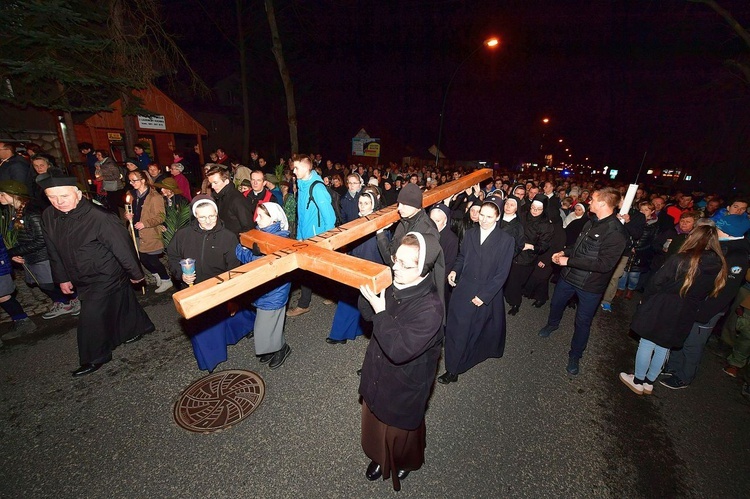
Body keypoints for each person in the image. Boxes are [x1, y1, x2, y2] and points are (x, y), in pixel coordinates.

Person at [40, 172, 154, 376]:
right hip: (78, 274)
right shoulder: (49, 216)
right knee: (123, 299)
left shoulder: (100, 217)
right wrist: (62, 278)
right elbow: (53, 250)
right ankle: (139, 327)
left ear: (77, 194)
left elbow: (123, 247)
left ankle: (94, 356)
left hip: (105, 274)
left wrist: (135, 273)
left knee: (91, 316)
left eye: (64, 196)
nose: (59, 202)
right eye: (52, 197)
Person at [358, 232, 444, 492]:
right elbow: (366, 314)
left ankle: (406, 461)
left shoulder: (430, 308)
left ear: (423, 268)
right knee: (375, 424)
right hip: (378, 371)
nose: (395, 266)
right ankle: (379, 457)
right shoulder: (393, 282)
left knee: (401, 435)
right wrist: (368, 294)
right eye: (396, 259)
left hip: (405, 383)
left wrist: (381, 310)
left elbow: (399, 349)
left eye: (406, 265)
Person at [620, 225, 727, 394]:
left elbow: (657, 282)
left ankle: (638, 380)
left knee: (647, 342)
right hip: (687, 309)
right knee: (664, 346)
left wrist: (645, 300)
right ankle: (649, 382)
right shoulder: (718, 264)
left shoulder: (683, 259)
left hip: (664, 304)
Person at [538, 187, 629, 375]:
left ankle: (575, 354)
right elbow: (580, 247)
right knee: (556, 303)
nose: (589, 202)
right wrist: (565, 252)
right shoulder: (591, 222)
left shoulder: (616, 232)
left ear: (603, 204)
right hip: (569, 277)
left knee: (583, 321)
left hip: (590, 286)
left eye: (593, 199)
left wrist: (568, 261)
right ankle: (552, 324)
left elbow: (604, 264)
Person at [167, 196, 255, 372]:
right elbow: (173, 258)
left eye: (211, 216)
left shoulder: (228, 237)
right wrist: (180, 275)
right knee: (201, 330)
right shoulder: (182, 235)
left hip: (217, 290)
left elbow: (233, 270)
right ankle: (210, 361)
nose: (208, 221)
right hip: (192, 290)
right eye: (202, 217)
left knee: (223, 320)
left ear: (217, 214)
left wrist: (233, 297)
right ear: (195, 216)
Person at [438, 200, 515, 384]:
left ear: (497, 218)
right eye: (482, 215)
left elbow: (502, 273)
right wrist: (455, 271)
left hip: (486, 292)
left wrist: (484, 296)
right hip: (463, 289)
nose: (484, 220)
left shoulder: (506, 240)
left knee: (475, 331)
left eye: (489, 216)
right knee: (457, 328)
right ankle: (453, 368)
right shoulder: (471, 233)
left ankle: (460, 363)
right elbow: (462, 256)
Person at [0, 180, 80, 328]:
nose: (0, 197)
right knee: (42, 284)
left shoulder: (31, 213)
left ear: (13, 195)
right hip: (31, 255)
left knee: (50, 283)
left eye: (2, 194)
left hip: (42, 255)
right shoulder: (14, 212)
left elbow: (41, 239)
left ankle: (74, 300)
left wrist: (13, 251)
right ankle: (63, 303)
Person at [236, 203, 293, 369]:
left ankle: (281, 348)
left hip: (275, 289)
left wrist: (251, 256)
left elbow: (265, 264)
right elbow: (238, 249)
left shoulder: (281, 239)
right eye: (257, 214)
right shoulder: (258, 233)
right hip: (262, 288)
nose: (256, 219)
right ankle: (273, 348)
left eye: (261, 216)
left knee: (266, 325)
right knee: (270, 324)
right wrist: (250, 254)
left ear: (274, 219)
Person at [326, 191, 386, 344]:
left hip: (370, 267)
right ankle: (339, 334)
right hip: (355, 265)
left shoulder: (380, 223)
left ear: (373, 205)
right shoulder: (357, 220)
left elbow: (382, 248)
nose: (363, 206)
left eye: (366, 203)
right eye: (361, 203)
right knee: (348, 300)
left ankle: (368, 333)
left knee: (365, 304)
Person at [285, 154, 337, 318]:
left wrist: (327, 241)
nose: (294, 171)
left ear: (307, 168)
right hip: (306, 237)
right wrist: (300, 236)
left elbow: (330, 217)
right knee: (310, 271)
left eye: (297, 168)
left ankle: (304, 304)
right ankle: (330, 295)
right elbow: (302, 214)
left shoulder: (317, 187)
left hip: (318, 238)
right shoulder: (301, 184)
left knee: (312, 271)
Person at [124, 170, 172, 294]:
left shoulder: (154, 197)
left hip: (150, 233)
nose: (131, 183)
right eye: (130, 180)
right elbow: (128, 210)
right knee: (142, 258)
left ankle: (166, 280)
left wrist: (145, 223)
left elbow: (161, 217)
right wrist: (128, 216)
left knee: (152, 259)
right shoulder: (132, 195)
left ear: (143, 180)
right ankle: (157, 276)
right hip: (136, 232)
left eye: (134, 180)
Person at [505, 195, 553, 315]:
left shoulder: (546, 225)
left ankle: (515, 303)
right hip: (512, 252)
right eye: (533, 207)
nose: (535, 211)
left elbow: (544, 245)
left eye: (538, 209)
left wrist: (531, 246)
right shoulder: (523, 216)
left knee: (516, 282)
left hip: (526, 257)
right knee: (509, 279)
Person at [206, 165, 253, 236]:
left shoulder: (237, 199)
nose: (212, 186)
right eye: (211, 183)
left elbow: (248, 227)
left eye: (215, 183)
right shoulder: (218, 196)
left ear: (226, 181)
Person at [94, 149, 125, 214]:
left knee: (114, 203)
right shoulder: (100, 164)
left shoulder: (110, 164)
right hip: (108, 185)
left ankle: (116, 217)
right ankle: (115, 216)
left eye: (99, 155)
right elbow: (98, 173)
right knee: (111, 203)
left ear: (104, 155)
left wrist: (103, 177)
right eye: (96, 155)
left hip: (116, 186)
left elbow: (117, 176)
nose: (97, 156)